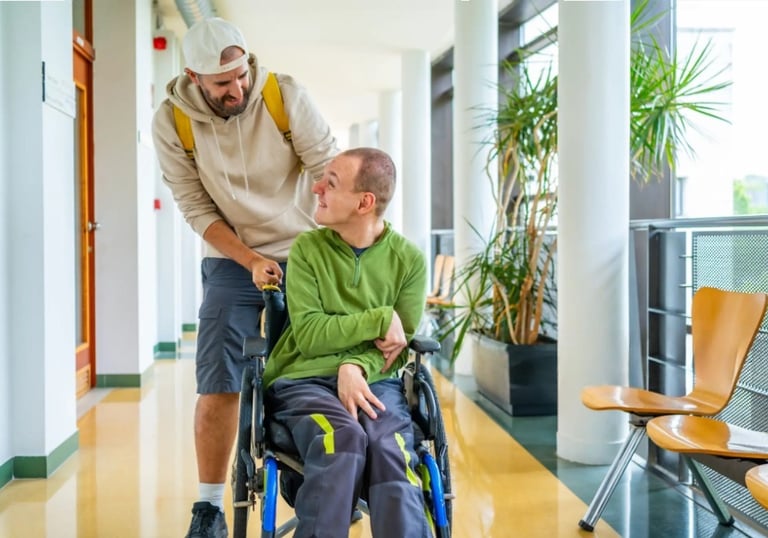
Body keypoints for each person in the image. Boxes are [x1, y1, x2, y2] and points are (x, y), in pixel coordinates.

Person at [151, 17, 338, 538]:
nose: (236, 89)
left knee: (316, 364)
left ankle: (319, 478)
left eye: (240, 77)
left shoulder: (282, 95)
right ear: (194, 77)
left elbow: (328, 168)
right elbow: (194, 206)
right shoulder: (173, 122)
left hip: (307, 251)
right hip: (233, 257)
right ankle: (208, 506)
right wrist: (250, 259)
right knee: (218, 381)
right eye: (221, 83)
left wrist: (339, 248)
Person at [262, 147, 430, 538]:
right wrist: (378, 318)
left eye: (330, 183)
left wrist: (353, 367)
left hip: (376, 381)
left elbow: (396, 347)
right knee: (342, 439)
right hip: (303, 380)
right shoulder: (307, 250)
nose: (317, 188)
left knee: (391, 451)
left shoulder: (409, 261)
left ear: (364, 202)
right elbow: (310, 334)